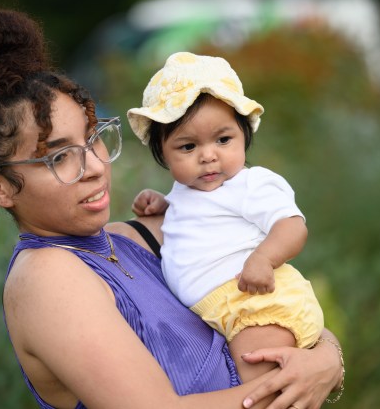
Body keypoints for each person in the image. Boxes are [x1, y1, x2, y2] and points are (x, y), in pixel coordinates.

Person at [0, 7, 344, 409]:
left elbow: (275, 308)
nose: (95, 168)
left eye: (93, 137)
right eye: (59, 157)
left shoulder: (145, 234)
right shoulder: (47, 278)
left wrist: (327, 357)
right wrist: (301, 379)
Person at [128, 52, 325, 383]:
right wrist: (162, 204)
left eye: (223, 140)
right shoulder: (184, 192)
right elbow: (197, 218)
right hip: (219, 312)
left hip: (256, 306)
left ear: (244, 135)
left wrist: (264, 258)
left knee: (259, 389)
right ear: (163, 153)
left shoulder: (250, 184)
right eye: (188, 147)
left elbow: (292, 226)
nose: (208, 156)